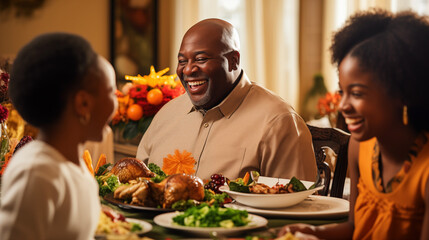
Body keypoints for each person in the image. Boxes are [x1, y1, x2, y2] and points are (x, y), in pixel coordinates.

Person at [278, 9, 429, 239]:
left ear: (402, 94)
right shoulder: (361, 146)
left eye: (357, 93)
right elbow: (354, 228)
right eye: (342, 92)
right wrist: (314, 232)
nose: (343, 106)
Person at [136, 18, 317, 181]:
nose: (188, 70)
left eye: (201, 59)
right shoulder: (167, 114)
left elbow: (295, 205)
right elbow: (135, 183)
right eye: (182, 61)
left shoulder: (278, 122)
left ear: (233, 61)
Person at [0, 33, 118, 240]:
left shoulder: (75, 166)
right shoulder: (37, 173)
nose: (117, 104)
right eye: (112, 92)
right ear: (83, 104)